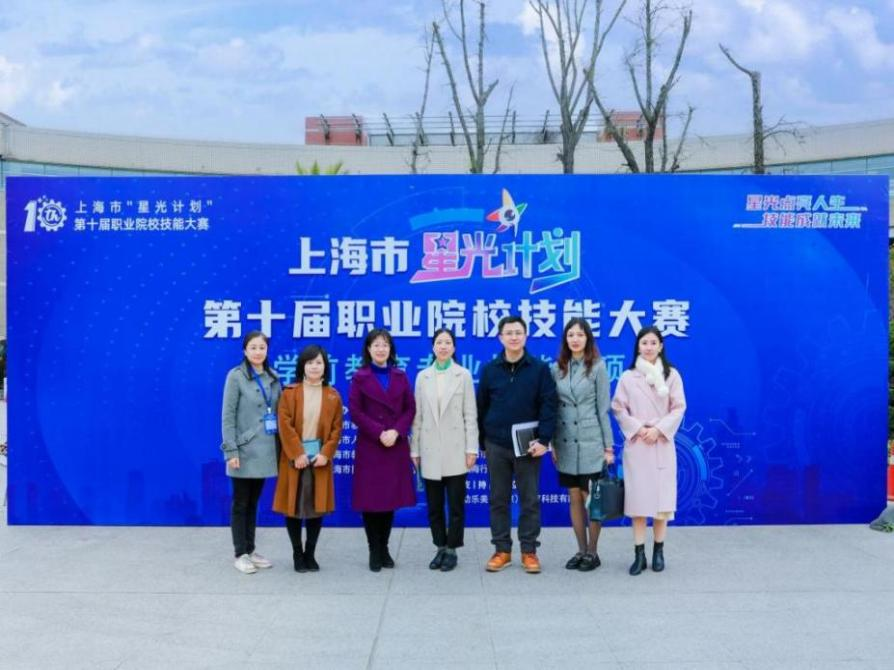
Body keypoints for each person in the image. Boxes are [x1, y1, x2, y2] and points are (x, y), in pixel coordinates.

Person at [476, 315, 557, 574]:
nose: (513, 337)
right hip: (496, 445)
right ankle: (502, 550)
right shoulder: (489, 370)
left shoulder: (539, 369)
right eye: (508, 333)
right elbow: (481, 407)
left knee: (529, 500)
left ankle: (529, 551)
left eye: (518, 332)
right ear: (500, 338)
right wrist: (483, 442)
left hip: (528, 446)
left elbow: (549, 406)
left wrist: (544, 440)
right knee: (498, 499)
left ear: (525, 336)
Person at [611, 325, 686, 575]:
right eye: (644, 343)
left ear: (661, 346)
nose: (649, 347)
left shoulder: (672, 375)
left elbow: (678, 408)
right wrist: (638, 428)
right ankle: (639, 554)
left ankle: (659, 551)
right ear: (638, 347)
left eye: (653, 342)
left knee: (662, 505)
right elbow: (618, 408)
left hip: (661, 443)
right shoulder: (628, 377)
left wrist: (659, 429)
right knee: (638, 503)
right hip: (638, 445)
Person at [411, 329, 479, 572]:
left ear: (454, 347)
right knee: (434, 505)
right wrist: (415, 450)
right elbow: (417, 417)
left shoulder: (463, 375)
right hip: (430, 449)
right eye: (439, 342)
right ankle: (440, 546)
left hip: (456, 449)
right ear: (433, 347)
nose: (443, 346)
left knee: (456, 505)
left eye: (447, 342)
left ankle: (452, 549)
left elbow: (470, 415)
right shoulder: (423, 377)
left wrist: (471, 448)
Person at [349, 328, 416, 572]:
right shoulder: (360, 377)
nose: (381, 349)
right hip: (371, 445)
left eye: (385, 345)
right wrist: (379, 432)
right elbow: (355, 411)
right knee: (371, 501)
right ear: (368, 349)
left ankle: (385, 548)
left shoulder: (400, 375)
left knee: (389, 500)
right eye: (376, 344)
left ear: (391, 349)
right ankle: (373, 550)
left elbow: (410, 408)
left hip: (395, 445)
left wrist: (396, 431)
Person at [551, 318, 615, 572]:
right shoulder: (557, 368)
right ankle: (580, 550)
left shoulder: (598, 367)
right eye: (570, 335)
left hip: (591, 442)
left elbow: (603, 410)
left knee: (591, 499)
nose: (575, 339)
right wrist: (553, 444)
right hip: (565, 441)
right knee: (574, 497)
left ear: (587, 338)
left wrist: (608, 447)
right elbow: (553, 409)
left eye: (580, 335)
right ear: (565, 340)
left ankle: (593, 551)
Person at [273, 345, 343, 573]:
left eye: (319, 362)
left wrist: (326, 454)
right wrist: (297, 453)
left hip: (319, 460)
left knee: (316, 507)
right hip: (295, 460)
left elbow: (337, 429)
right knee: (293, 507)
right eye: (310, 362)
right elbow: (284, 425)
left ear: (325, 367)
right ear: (302, 366)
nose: (314, 367)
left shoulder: (332, 395)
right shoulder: (289, 392)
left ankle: (310, 553)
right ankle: (297, 553)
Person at [220, 330, 281, 574]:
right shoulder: (235, 376)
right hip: (243, 451)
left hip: (265, 450)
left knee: (253, 502)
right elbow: (227, 416)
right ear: (245, 351)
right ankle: (240, 553)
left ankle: (251, 549)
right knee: (240, 502)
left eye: (262, 348)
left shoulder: (273, 376)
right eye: (253, 347)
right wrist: (231, 450)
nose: (258, 352)